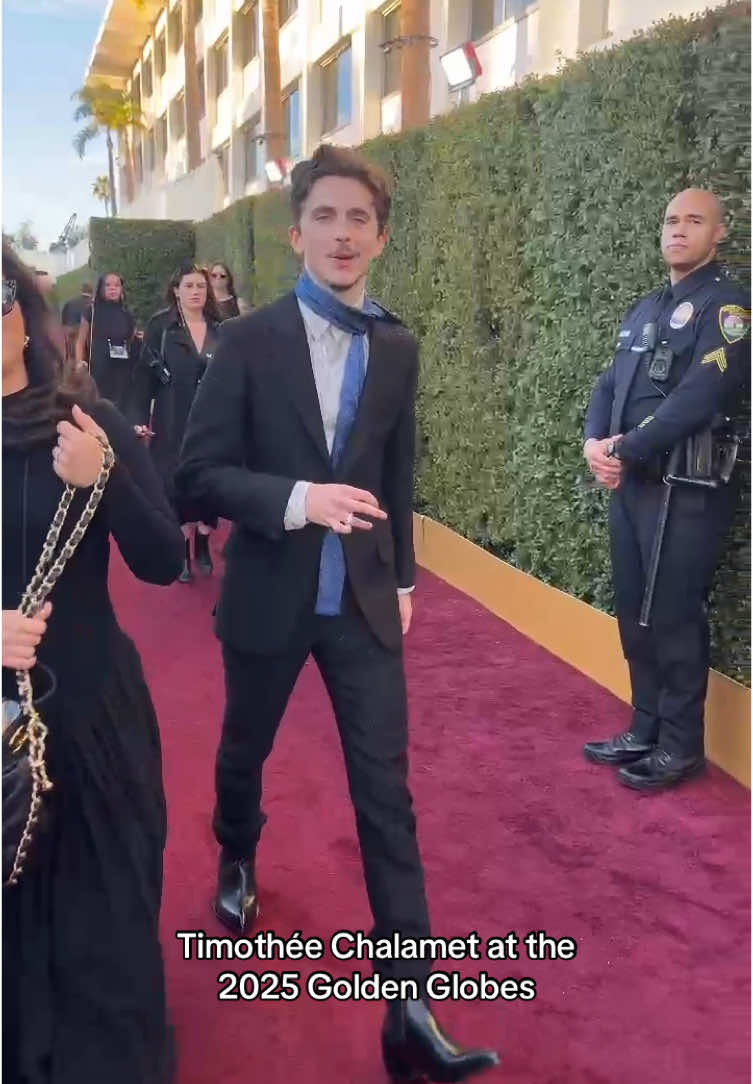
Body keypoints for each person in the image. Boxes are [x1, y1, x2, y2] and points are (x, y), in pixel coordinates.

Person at [177, 144, 499, 1083]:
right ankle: (237, 855)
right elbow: (196, 476)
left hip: (359, 604)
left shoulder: (396, 346)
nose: (342, 233)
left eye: (359, 218)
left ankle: (411, 1012)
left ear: (380, 236)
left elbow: (395, 477)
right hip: (269, 593)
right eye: (325, 216)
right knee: (243, 753)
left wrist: (400, 583)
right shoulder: (246, 342)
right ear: (297, 233)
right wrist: (297, 498)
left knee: (386, 797)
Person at [1, 243, 184, 1081]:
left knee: (103, 924)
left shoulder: (90, 423)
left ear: (23, 309)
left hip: (94, 713)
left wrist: (105, 474)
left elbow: (161, 561)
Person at [582, 188, 749, 790]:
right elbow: (609, 382)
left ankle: (681, 748)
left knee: (673, 615)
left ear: (718, 232)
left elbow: (697, 399)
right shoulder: (647, 308)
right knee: (636, 611)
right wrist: (592, 443)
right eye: (672, 220)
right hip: (634, 487)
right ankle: (645, 727)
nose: (679, 230)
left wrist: (623, 449)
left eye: (694, 221)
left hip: (688, 486)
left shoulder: (728, 307)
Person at [134, 263, 222, 583]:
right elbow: (144, 376)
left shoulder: (220, 327)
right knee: (175, 485)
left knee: (208, 485)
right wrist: (138, 418)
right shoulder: (162, 326)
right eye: (189, 286)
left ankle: (202, 544)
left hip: (213, 422)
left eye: (201, 286)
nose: (196, 292)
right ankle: (182, 553)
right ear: (176, 291)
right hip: (173, 419)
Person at [75, 272, 136, 411]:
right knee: (99, 405)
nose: (113, 288)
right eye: (108, 285)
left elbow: (131, 338)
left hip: (122, 367)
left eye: (117, 285)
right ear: (101, 288)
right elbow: (80, 340)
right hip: (98, 366)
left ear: (122, 289)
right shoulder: (91, 311)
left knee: (121, 405)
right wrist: (79, 362)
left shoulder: (127, 312)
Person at [61, 281, 93, 361]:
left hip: (69, 330)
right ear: (91, 292)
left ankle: (70, 368)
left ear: (81, 291)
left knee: (71, 356)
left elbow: (63, 319)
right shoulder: (92, 303)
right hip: (83, 331)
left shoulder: (69, 302)